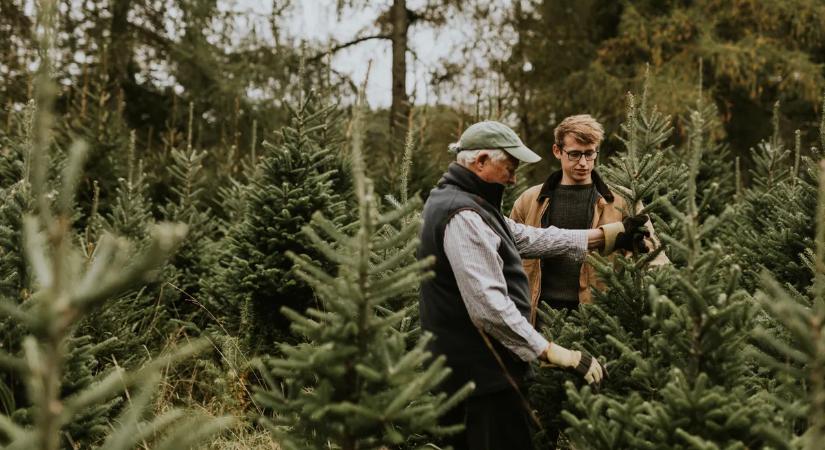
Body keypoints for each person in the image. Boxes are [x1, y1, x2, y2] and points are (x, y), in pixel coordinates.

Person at [417, 121, 650, 450]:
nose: (513, 178)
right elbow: (490, 309)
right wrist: (555, 352)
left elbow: (531, 237)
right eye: (509, 168)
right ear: (481, 160)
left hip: (479, 374)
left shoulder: (467, 202)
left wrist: (608, 235)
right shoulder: (464, 215)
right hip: (480, 378)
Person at [510, 114, 669, 323]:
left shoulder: (624, 200)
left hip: (599, 318)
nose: (583, 163)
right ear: (557, 151)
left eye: (589, 154)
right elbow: (509, 257)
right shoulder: (529, 200)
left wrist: (666, 294)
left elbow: (653, 254)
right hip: (538, 318)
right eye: (574, 154)